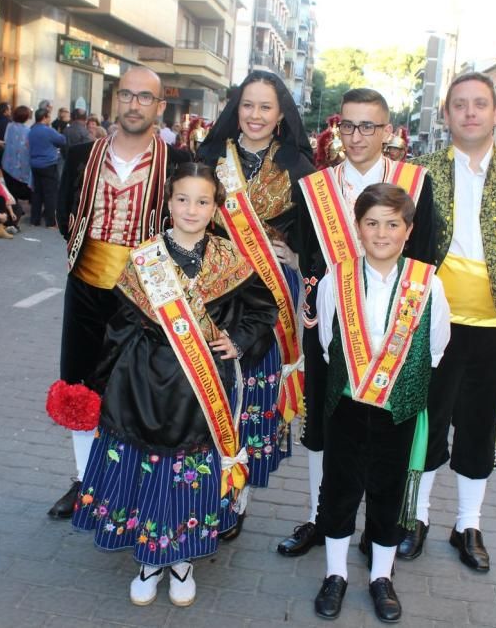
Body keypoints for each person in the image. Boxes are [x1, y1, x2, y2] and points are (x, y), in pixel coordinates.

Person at [67, 163, 278, 607]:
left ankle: (181, 560)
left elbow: (264, 310)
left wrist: (236, 341)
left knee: (189, 474)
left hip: (203, 388)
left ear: (215, 207)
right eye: (182, 199)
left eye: (202, 201)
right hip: (143, 380)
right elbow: (119, 326)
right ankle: (149, 560)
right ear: (167, 203)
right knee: (148, 468)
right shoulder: (144, 258)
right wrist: (100, 384)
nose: (191, 209)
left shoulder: (230, 259)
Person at [281, 87, 436, 560]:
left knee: (388, 432)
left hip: (394, 331)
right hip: (330, 327)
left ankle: (379, 528)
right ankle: (320, 517)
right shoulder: (314, 186)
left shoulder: (415, 182)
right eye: (347, 125)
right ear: (337, 128)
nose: (357, 135)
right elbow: (306, 253)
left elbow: (427, 252)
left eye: (369, 125)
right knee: (323, 427)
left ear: (387, 131)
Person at [410, 71, 496, 572]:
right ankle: (418, 516)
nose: (470, 112)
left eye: (480, 104)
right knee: (428, 419)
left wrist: (495, 290)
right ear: (445, 115)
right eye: (460, 105)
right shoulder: (420, 171)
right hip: (433, 324)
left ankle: (468, 523)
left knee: (479, 426)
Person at [46, 65, 191, 520]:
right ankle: (86, 481)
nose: (133, 104)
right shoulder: (81, 155)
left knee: (138, 391)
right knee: (80, 384)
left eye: (144, 98)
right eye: (126, 95)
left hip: (146, 296)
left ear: (159, 106)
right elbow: (64, 214)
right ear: (115, 100)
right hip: (87, 286)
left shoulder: (180, 164)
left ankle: (132, 485)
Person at [311, 184, 450, 623]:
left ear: (408, 231)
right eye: (371, 223)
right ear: (358, 228)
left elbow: (435, 347)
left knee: (388, 493)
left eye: (393, 224)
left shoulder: (427, 282)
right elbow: (329, 343)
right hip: (347, 405)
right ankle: (335, 574)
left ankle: (381, 577)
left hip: (398, 408)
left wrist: (397, 381)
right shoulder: (337, 276)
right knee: (339, 489)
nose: (382, 232)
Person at [196, 70, 316, 532]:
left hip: (270, 293)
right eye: (248, 105)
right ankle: (205, 485)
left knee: (253, 392)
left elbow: (319, 237)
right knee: (214, 387)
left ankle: (237, 495)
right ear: (235, 108)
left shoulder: (299, 166)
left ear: (281, 113)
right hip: (213, 288)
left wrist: (298, 253)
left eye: (266, 106)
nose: (256, 115)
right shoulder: (209, 157)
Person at [29, 107, 66, 227]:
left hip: (35, 164)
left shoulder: (31, 130)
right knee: (50, 194)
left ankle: (35, 220)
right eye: (49, 116)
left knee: (37, 192)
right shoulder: (48, 130)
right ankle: (51, 221)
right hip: (48, 164)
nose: (50, 119)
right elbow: (62, 140)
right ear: (44, 117)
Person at [2, 105, 32, 201]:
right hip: (21, 164)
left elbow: (6, 140)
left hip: (7, 161)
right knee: (20, 187)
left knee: (10, 188)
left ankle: (14, 207)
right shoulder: (28, 131)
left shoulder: (10, 126)